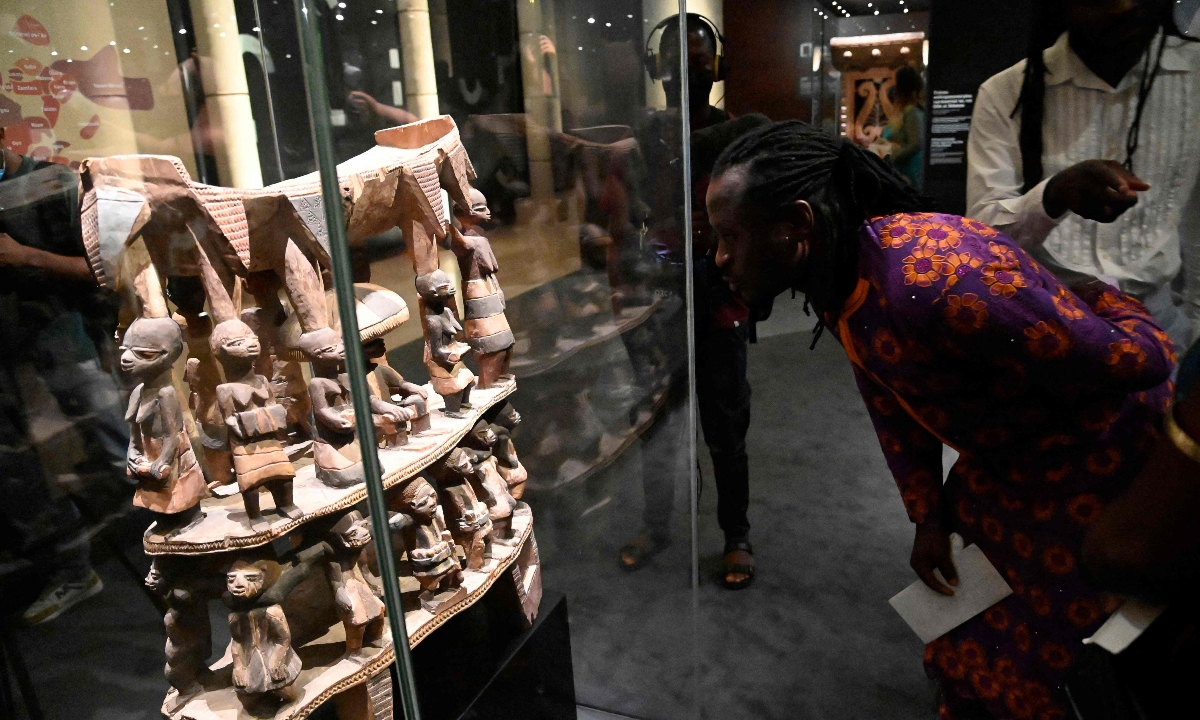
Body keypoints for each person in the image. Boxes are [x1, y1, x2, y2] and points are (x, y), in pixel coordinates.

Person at [707, 120, 1172, 719]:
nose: (720, 259)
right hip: (1003, 467)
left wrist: (1093, 292)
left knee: (1054, 680)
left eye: (729, 238)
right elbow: (892, 404)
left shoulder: (932, 282)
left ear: (796, 226)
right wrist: (927, 515)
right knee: (963, 649)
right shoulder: (840, 276)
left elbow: (1140, 361)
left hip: (1096, 469)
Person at [618, 13, 761, 590]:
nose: (689, 70)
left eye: (699, 58)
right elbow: (626, 214)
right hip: (659, 291)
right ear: (659, 69)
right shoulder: (646, 138)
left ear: (717, 66)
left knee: (725, 423)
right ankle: (657, 526)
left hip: (718, 292)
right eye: (679, 60)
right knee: (655, 419)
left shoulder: (735, 136)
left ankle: (736, 536)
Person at [967, 0, 1200, 350]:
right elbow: (981, 233)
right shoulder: (1007, 92)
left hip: (1164, 330)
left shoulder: (1194, 76)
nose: (1125, 5)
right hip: (1048, 327)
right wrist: (1053, 195)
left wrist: (1196, 335)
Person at [0, 126, 127, 624]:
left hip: (65, 343)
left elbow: (109, 269)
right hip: (12, 358)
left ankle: (189, 541)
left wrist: (26, 256)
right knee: (19, 477)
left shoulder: (52, 184)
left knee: (121, 448)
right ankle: (72, 569)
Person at [884, 65, 925, 190]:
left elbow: (915, 144)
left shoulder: (911, 111)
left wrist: (890, 157)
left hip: (908, 171)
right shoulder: (915, 110)